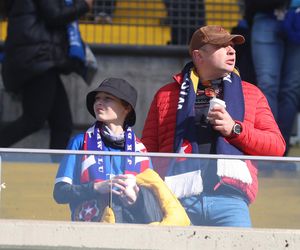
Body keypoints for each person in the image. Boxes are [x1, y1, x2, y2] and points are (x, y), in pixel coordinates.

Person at [142, 25, 286, 227]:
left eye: (232, 46)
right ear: (198, 55)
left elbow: (277, 147)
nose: (231, 50)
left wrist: (235, 129)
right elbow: (148, 152)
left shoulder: (251, 93)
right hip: (176, 202)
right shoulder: (166, 95)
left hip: (230, 201)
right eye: (221, 46)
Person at [53, 78, 190, 225]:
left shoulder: (140, 149)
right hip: (91, 228)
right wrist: (97, 187)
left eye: (107, 99)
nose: (99, 102)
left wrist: (135, 200)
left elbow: (152, 201)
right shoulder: (80, 142)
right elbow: (60, 193)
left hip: (132, 229)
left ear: (126, 108)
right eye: (97, 98)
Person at [0, 0, 93, 152]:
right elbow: (55, 16)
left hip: (38, 61)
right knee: (34, 120)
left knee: (62, 124)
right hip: (37, 61)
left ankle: (58, 171)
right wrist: (84, 5)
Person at [245, 0, 300, 155]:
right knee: (267, 85)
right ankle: (267, 147)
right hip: (265, 15)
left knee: (291, 88)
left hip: (297, 19)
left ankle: (282, 151)